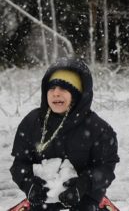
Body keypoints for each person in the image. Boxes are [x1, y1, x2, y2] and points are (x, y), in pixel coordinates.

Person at [10, 58, 119, 211]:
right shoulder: (32, 122)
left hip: (85, 194)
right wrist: (29, 186)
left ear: (77, 94)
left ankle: (101, 204)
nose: (56, 94)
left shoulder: (99, 128)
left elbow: (106, 168)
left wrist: (82, 186)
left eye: (64, 88)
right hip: (44, 194)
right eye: (51, 88)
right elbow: (20, 164)